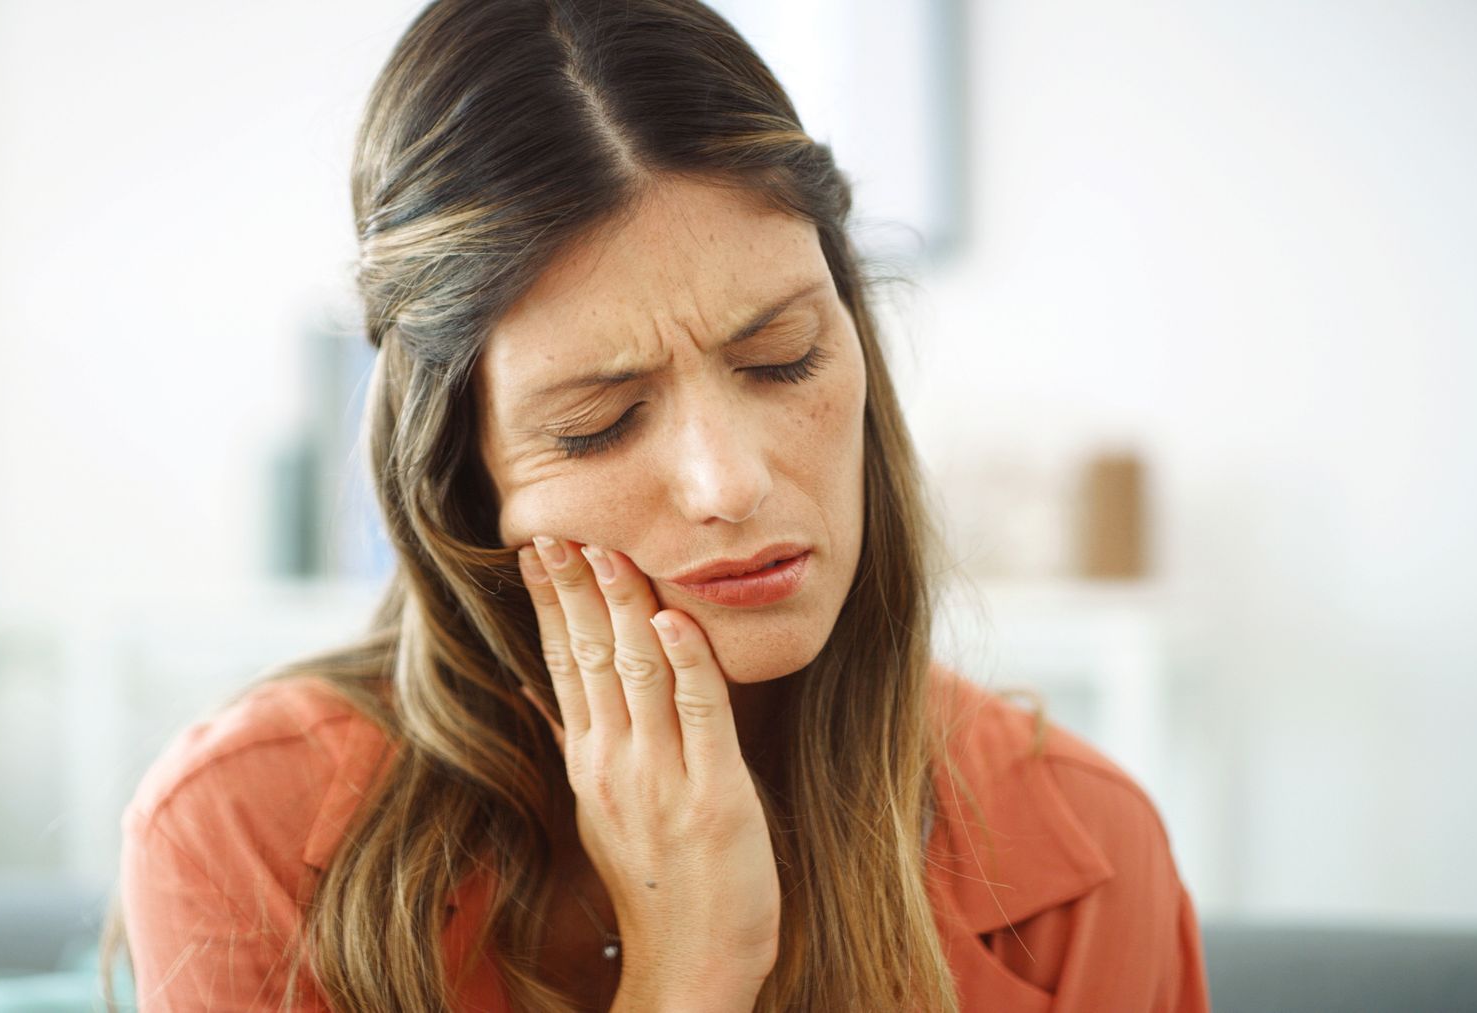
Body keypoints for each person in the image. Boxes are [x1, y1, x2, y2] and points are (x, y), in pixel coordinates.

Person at [104, 0, 1211, 1009]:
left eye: (783, 359)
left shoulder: (1084, 847)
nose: (729, 482)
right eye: (598, 421)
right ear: (463, 470)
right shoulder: (245, 828)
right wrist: (692, 966)